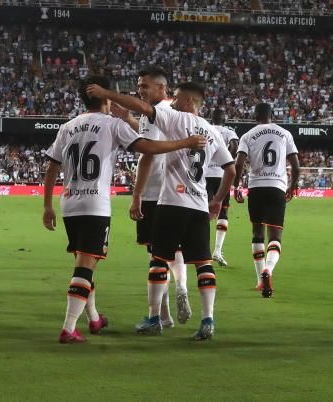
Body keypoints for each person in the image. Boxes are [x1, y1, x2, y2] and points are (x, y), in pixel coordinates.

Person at [44, 75, 206, 343]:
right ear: (106, 98)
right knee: (85, 265)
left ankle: (94, 318)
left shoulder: (68, 126)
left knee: (85, 260)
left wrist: (47, 206)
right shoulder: (112, 125)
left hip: (69, 203)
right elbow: (148, 147)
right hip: (95, 204)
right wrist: (185, 143)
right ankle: (69, 326)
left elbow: (51, 166)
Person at [88, 80, 236, 341]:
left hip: (171, 203)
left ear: (189, 102)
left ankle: (155, 318)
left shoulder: (175, 117)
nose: (172, 100)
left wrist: (106, 94)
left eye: (177, 97)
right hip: (200, 205)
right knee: (203, 262)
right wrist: (218, 201)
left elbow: (143, 108)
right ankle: (208, 320)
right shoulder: (211, 131)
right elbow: (231, 170)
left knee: (158, 260)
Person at [115, 66, 190, 328]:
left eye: (145, 86)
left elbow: (148, 152)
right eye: (139, 85)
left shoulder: (151, 113)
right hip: (179, 193)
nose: (140, 90)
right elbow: (154, 134)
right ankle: (180, 288)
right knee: (176, 249)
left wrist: (136, 194)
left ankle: (155, 316)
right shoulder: (179, 113)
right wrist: (129, 120)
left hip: (153, 191)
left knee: (156, 255)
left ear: (162, 87)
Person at [233, 103, 300, 298]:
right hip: (277, 187)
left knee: (257, 232)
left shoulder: (247, 135)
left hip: (256, 187)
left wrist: (237, 186)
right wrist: (293, 185)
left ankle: (259, 280)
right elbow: (296, 165)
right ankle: (268, 270)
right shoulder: (285, 133)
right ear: (272, 116)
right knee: (275, 236)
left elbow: (238, 163)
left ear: (255, 116)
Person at [206, 108, 239, 266]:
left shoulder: (205, 128)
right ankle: (217, 251)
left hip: (204, 175)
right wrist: (227, 159)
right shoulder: (228, 131)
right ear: (224, 119)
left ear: (211, 119)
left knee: (202, 210)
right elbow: (235, 145)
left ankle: (201, 249)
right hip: (221, 175)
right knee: (223, 211)